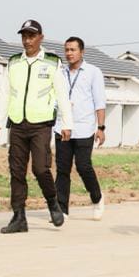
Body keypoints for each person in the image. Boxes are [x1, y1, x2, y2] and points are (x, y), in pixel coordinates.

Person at [0, 19, 73, 234]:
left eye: (31, 36)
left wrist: (67, 124)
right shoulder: (14, 62)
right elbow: (5, 94)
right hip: (17, 124)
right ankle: (19, 217)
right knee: (16, 172)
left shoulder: (52, 62)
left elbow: (62, 96)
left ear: (40, 38)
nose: (27, 40)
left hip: (41, 125)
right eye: (24, 36)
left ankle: (53, 202)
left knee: (40, 168)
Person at [54, 36, 106, 220]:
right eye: (67, 50)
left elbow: (99, 102)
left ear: (82, 52)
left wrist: (101, 127)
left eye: (73, 50)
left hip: (84, 127)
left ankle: (97, 198)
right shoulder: (59, 72)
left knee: (83, 167)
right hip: (62, 126)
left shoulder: (93, 72)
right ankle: (62, 209)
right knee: (62, 169)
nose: (69, 53)